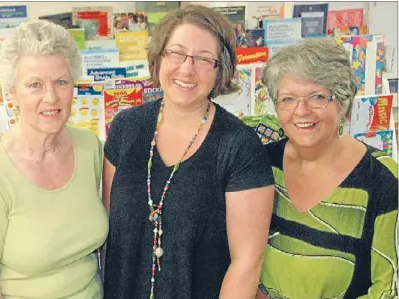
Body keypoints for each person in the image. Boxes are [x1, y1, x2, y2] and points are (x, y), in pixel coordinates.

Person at [102, 5, 275, 299]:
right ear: (159, 57)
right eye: (176, 53)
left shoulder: (239, 146)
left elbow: (247, 263)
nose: (186, 68)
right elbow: (111, 232)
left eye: (204, 59)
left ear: (221, 69)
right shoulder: (125, 128)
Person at [0, 20, 108, 299]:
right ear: (11, 93)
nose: (51, 97)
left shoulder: (89, 148)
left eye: (61, 82)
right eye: (35, 85)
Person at [258, 38, 398, 298]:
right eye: (288, 99)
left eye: (318, 97)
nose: (301, 111)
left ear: (343, 103)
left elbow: (388, 289)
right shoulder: (261, 165)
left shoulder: (381, 179)